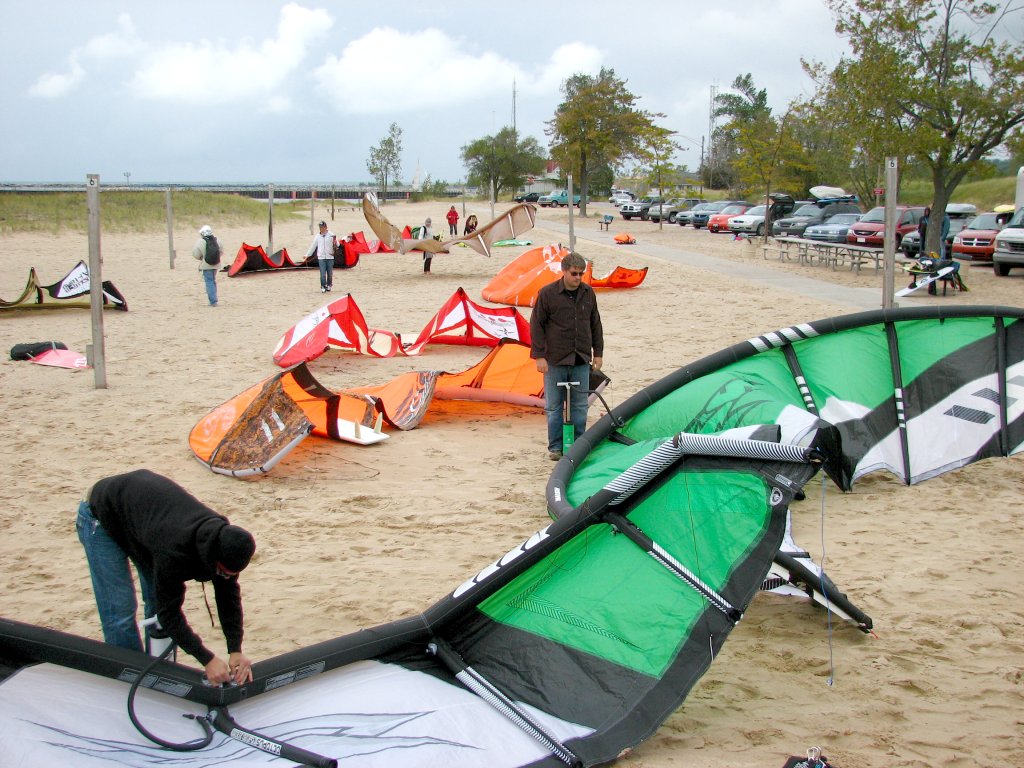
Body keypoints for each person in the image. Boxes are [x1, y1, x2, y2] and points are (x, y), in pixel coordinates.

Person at [76, 469, 257, 686]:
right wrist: (207, 659)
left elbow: (228, 596)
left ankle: (159, 674)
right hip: (101, 515)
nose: (226, 577)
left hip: (142, 519)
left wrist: (235, 649)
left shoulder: (224, 543)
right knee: (120, 612)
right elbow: (168, 614)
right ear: (213, 559)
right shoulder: (173, 551)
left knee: (155, 602)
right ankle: (129, 681)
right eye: (223, 572)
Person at [530, 251, 604, 461]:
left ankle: (577, 446)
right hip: (555, 360)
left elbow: (595, 323)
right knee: (554, 407)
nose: (578, 277)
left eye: (581, 273)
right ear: (563, 271)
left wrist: (598, 353)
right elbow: (536, 325)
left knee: (580, 405)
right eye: (574, 273)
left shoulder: (588, 293)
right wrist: (539, 356)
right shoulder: (547, 294)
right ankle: (555, 447)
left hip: (581, 359)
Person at [192, 225, 221, 306]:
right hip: (216, 264)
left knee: (209, 281)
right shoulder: (217, 240)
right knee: (213, 280)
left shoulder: (201, 241)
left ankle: (213, 301)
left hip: (206, 264)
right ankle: (214, 299)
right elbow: (221, 251)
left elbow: (195, 253)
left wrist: (201, 258)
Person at [307, 220, 337, 293]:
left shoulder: (331, 235)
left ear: (326, 227)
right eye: (320, 227)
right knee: (322, 274)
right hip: (321, 258)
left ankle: (329, 285)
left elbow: (337, 245)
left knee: (330, 274)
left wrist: (335, 243)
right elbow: (313, 246)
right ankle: (323, 286)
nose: (321, 229)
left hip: (330, 257)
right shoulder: (318, 236)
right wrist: (307, 255)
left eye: (322, 227)